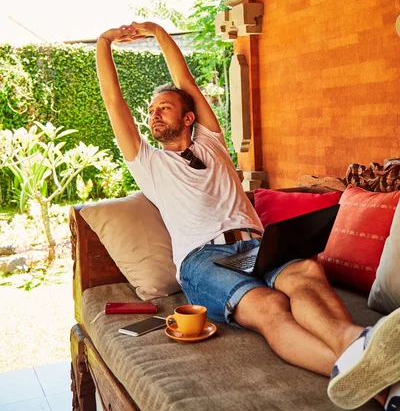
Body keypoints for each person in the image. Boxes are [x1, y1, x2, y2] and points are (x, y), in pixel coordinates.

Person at [96, 21, 400, 410]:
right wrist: (105, 42)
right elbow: (112, 101)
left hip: (258, 243)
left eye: (164, 108)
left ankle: (356, 344)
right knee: (271, 307)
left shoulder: (210, 140)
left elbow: (183, 79)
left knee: (305, 274)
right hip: (202, 258)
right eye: (151, 111)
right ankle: (369, 374)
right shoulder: (148, 162)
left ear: (189, 118)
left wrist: (157, 32)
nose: (153, 115)